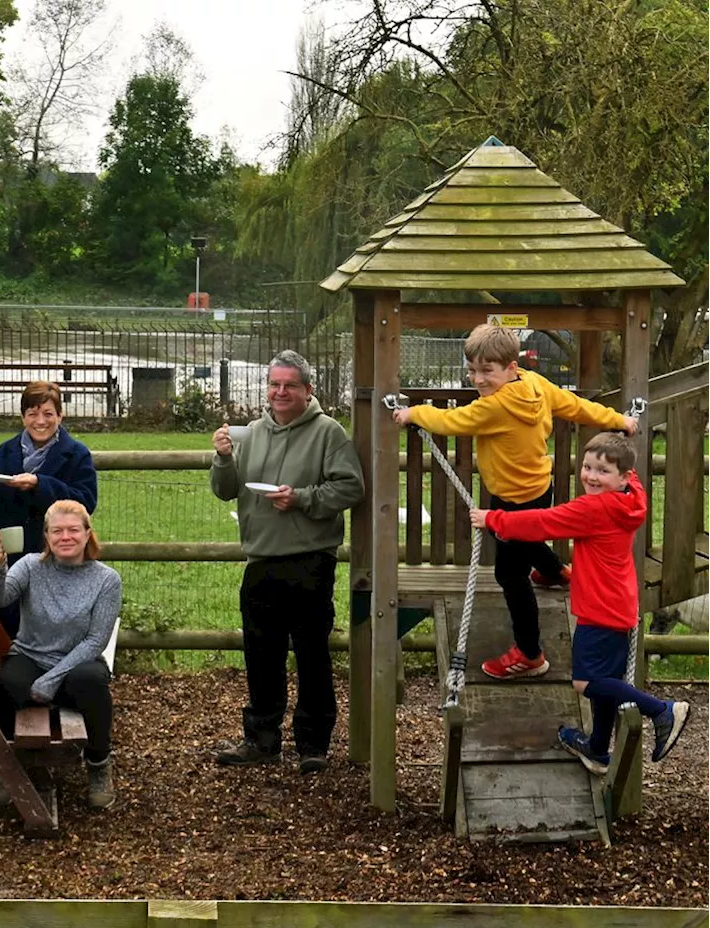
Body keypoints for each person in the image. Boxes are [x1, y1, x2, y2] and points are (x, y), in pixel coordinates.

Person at [394, 324, 638, 680]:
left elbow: (449, 421)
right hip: (539, 487)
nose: (477, 379)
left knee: (509, 573)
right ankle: (555, 571)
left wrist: (412, 413)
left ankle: (530, 654)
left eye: (486, 371)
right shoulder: (535, 384)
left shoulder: (495, 407)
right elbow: (575, 405)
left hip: (513, 501)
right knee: (527, 541)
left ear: (510, 367)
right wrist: (619, 420)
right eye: (472, 370)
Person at [470, 433, 691, 773]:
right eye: (587, 467)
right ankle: (598, 749)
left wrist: (493, 518)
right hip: (620, 602)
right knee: (605, 681)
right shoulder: (631, 496)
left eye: (602, 471)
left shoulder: (595, 508)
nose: (590, 476)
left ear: (620, 477)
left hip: (599, 608)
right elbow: (631, 474)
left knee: (584, 683)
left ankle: (662, 710)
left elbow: (543, 522)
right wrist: (619, 446)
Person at [209, 350, 364, 774]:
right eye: (274, 385)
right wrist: (223, 457)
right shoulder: (252, 434)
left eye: (289, 385)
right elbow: (225, 490)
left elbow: (350, 488)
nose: (280, 392)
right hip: (260, 559)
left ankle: (313, 744)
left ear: (307, 390)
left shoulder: (328, 433)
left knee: (313, 655)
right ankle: (261, 739)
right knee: (261, 654)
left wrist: (301, 499)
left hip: (310, 559)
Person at [0, 499, 122, 810]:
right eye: (56, 531)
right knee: (6, 684)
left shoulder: (106, 579)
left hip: (78, 661)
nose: (65, 537)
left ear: (88, 534)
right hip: (31, 654)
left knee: (92, 683)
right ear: (46, 536)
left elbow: (96, 639)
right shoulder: (30, 565)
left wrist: (50, 679)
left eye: (73, 530)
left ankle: (99, 765)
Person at [0, 380, 98, 636]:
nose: (40, 421)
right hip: (10, 557)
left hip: (57, 556)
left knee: (56, 627)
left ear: (60, 415)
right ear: (23, 418)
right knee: (11, 624)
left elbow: (85, 502)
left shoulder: (77, 454)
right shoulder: (7, 452)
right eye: (32, 414)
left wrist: (39, 484)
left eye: (48, 414)